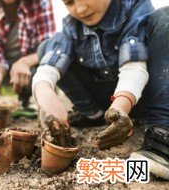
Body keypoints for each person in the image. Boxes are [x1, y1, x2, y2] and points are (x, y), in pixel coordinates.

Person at [33, 0, 169, 180]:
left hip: (142, 95)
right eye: (69, 2)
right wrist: (46, 96)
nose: (80, 9)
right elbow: (47, 69)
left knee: (165, 18)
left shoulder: (135, 7)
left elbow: (134, 67)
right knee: (47, 47)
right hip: (107, 102)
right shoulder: (71, 26)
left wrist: (121, 106)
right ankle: (92, 114)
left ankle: (162, 133)